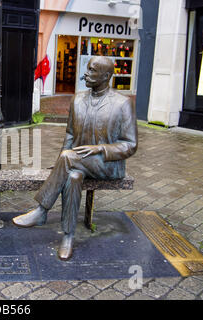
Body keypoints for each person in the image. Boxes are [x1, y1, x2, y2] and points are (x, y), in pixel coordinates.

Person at [12, 56, 138, 260]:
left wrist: (100, 149)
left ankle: (41, 210)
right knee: (73, 178)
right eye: (87, 68)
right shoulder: (77, 99)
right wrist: (61, 163)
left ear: (106, 76)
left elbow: (130, 145)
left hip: (107, 165)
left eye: (92, 70)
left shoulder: (122, 103)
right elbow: (70, 135)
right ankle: (68, 237)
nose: (85, 73)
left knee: (69, 160)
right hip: (76, 163)